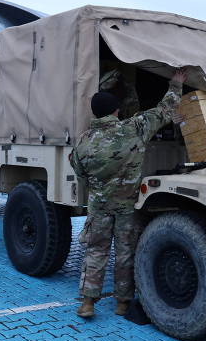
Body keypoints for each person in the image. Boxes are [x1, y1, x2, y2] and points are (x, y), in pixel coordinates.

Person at [70, 68, 187, 318]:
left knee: (95, 251)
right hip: (127, 207)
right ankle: (123, 303)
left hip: (99, 206)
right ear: (115, 111)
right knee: (125, 253)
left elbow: (79, 174)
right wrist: (176, 84)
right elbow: (165, 109)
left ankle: (88, 303)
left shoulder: (82, 141)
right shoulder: (133, 128)